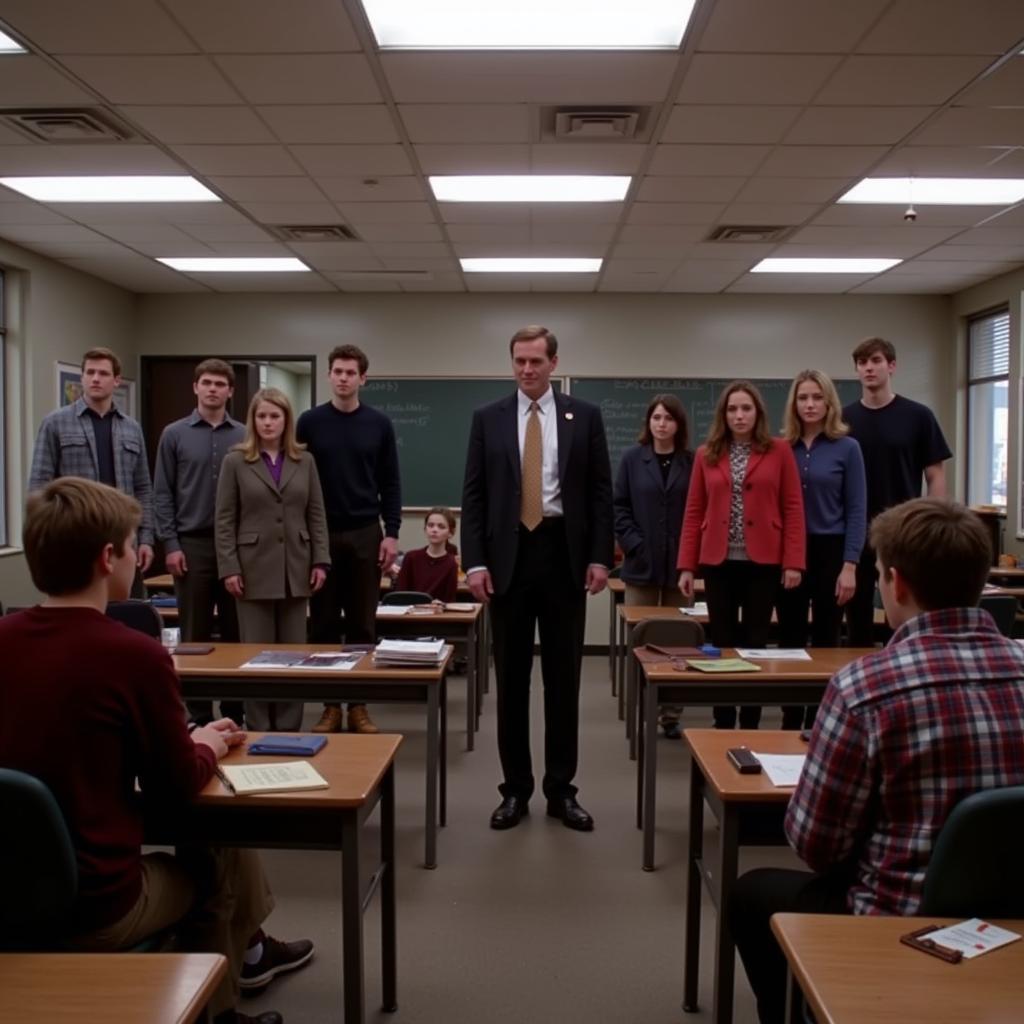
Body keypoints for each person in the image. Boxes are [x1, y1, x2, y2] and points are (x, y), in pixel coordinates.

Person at [0, 477, 315, 1024]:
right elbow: (177, 786)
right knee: (217, 847)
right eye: (131, 544)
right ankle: (218, 1009)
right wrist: (204, 744)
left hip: (5, 891)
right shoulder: (134, 656)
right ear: (108, 557)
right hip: (98, 907)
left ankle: (255, 952)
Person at [729, 498, 1024, 1024]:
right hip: (1013, 909)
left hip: (901, 919)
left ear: (897, 583)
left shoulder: (864, 689)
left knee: (752, 894)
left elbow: (818, 846)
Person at [462, 325, 614, 832]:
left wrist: (599, 557)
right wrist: (475, 562)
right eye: (519, 361)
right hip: (508, 559)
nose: (527, 370)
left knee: (563, 681)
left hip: (563, 555)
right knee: (511, 682)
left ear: (553, 363)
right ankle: (515, 790)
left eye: (535, 361)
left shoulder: (584, 417)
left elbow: (599, 494)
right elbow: (475, 496)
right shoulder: (489, 418)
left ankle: (561, 790)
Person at [677, 380, 805, 730]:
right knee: (722, 641)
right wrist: (686, 565)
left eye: (746, 408)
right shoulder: (707, 453)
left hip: (763, 562)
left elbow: (793, 507)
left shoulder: (778, 451)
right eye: (732, 409)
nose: (739, 415)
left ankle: (750, 720)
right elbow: (693, 510)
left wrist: (794, 561)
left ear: (757, 413)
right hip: (718, 562)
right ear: (724, 414)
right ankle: (723, 720)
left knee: (755, 642)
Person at [297, 344, 402, 736]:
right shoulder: (309, 422)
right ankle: (329, 707)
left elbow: (391, 482)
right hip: (319, 534)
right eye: (337, 371)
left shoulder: (379, 424)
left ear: (363, 378)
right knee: (322, 625)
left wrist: (391, 533)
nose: (343, 378)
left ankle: (357, 705)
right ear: (329, 376)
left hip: (364, 532)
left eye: (350, 372)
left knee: (361, 626)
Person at [216, 388, 330, 732]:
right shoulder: (235, 460)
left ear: (286, 421)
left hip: (296, 567)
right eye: (262, 416)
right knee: (257, 657)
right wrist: (230, 566)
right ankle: (258, 726)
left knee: (294, 657)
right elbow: (224, 519)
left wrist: (320, 560)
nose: (268, 423)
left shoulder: (304, 461)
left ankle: (289, 726)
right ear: (253, 421)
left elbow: (316, 514)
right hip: (251, 570)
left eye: (275, 416)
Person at [154, 358, 246, 726]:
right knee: (195, 633)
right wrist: (170, 545)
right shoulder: (173, 434)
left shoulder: (244, 435)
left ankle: (236, 710)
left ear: (230, 391)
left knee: (237, 632)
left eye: (219, 384)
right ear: (195, 388)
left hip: (237, 547)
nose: (212, 389)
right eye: (206, 382)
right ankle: (197, 713)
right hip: (190, 544)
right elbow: (163, 493)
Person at [842, 337, 952, 646]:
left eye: (875, 361)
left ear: (891, 366)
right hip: (856, 530)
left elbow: (935, 475)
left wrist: (934, 525)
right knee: (857, 616)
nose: (869, 368)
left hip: (903, 531)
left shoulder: (918, 416)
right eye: (862, 363)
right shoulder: (843, 420)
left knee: (905, 614)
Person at [776, 369, 867, 730]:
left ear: (829, 402)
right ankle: (790, 715)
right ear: (794, 404)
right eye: (803, 398)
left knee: (826, 639)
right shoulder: (782, 448)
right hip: (792, 552)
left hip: (832, 549)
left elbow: (857, 508)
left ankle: (821, 720)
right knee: (790, 637)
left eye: (817, 397)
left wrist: (850, 565)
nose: (810, 404)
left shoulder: (848, 447)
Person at [29, 346, 154, 595]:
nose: (96, 378)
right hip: (75, 539)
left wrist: (147, 538)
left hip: (122, 539)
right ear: (82, 377)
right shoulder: (56, 422)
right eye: (90, 372)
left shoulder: (131, 428)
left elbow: (143, 488)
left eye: (103, 373)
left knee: (124, 614)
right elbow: (39, 487)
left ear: (116, 380)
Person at [613, 393, 694, 738]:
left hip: (680, 567)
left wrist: (690, 555)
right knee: (643, 639)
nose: (662, 424)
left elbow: (698, 510)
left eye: (669, 418)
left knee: (679, 640)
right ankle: (642, 707)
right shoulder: (633, 459)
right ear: (648, 422)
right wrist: (635, 544)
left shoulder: (692, 462)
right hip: (641, 564)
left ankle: (671, 714)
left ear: (679, 424)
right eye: (656, 417)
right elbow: (619, 508)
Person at [394, 506, 459, 603]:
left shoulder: (451, 564)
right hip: (409, 613)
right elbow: (400, 593)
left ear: (450, 533)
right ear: (425, 529)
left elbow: (449, 600)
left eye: (441, 527)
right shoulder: (411, 557)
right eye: (430, 525)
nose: (434, 530)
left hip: (436, 615)